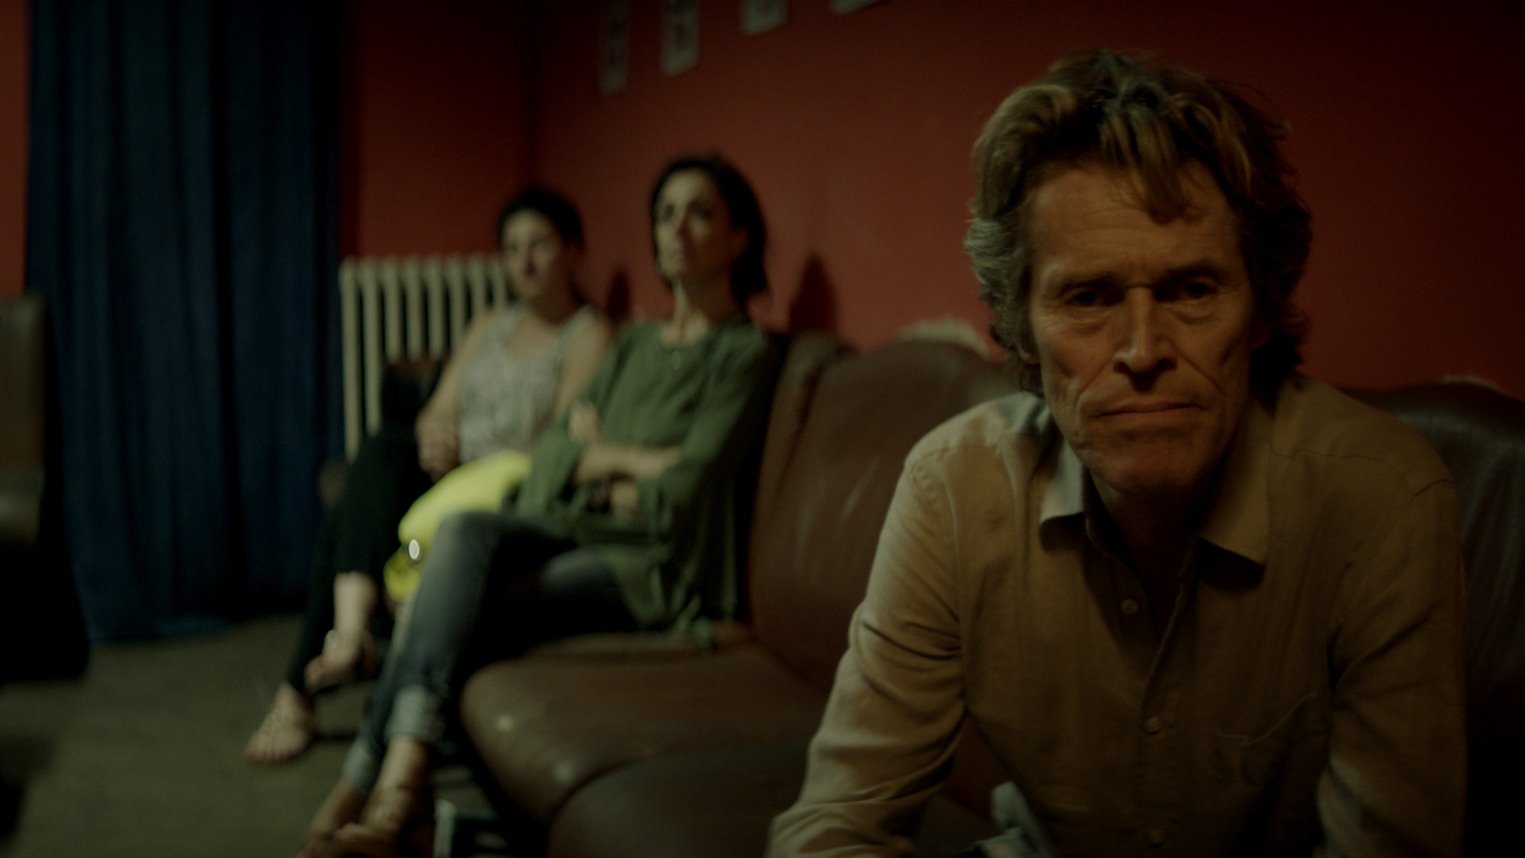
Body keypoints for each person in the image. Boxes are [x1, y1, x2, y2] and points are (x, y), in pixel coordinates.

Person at [769, 49, 1466, 856]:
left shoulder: (1379, 501)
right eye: (1088, 297)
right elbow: (834, 823)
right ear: (1022, 329)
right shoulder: (953, 488)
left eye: (1191, 290)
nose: (1141, 350)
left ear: (1259, 310)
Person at [297, 154, 782, 856]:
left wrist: (600, 453)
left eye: (700, 213)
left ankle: (377, 783)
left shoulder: (743, 354)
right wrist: (622, 463)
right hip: (570, 523)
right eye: (665, 213)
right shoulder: (636, 343)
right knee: (457, 533)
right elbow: (553, 455)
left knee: (456, 601)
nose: (677, 229)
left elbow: (687, 488)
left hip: (647, 566)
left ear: (738, 238)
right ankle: (394, 786)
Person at [244, 188, 613, 765]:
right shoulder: (490, 323)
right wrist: (436, 434)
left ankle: (301, 692)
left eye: (539, 244)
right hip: (445, 473)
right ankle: (350, 633)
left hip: (500, 489)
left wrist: (473, 454)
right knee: (381, 454)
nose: (524, 262)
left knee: (351, 518)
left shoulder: (589, 334)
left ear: (572, 250)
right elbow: (440, 405)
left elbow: (559, 445)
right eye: (512, 248)